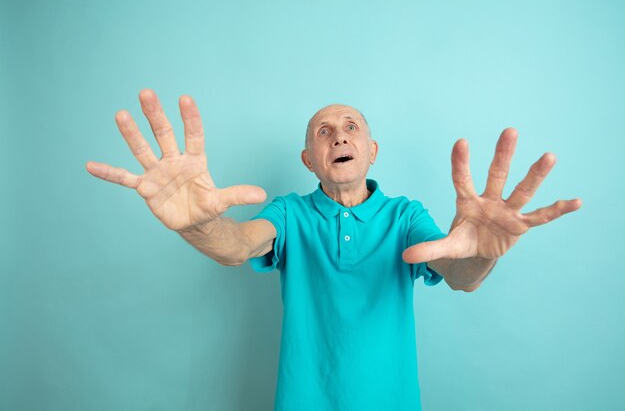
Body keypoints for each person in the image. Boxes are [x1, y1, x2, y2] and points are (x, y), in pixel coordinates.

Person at [86, 89, 582, 411]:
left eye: (350, 127)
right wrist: (198, 227)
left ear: (370, 150)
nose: (339, 134)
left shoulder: (405, 215)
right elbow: (237, 245)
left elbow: (458, 273)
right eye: (324, 131)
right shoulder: (290, 213)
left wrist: (483, 253)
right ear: (309, 159)